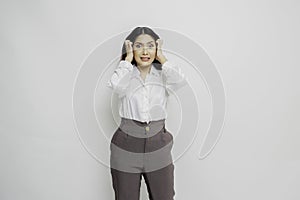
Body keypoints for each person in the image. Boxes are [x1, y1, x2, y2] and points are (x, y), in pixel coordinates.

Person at [107, 26, 187, 200]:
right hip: (126, 145)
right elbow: (116, 85)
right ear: (130, 49)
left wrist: (161, 57)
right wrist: (127, 60)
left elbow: (180, 80)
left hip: (158, 144)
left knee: (164, 196)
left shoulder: (163, 76)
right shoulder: (126, 74)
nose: (145, 51)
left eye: (150, 46)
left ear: (157, 48)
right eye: (138, 46)